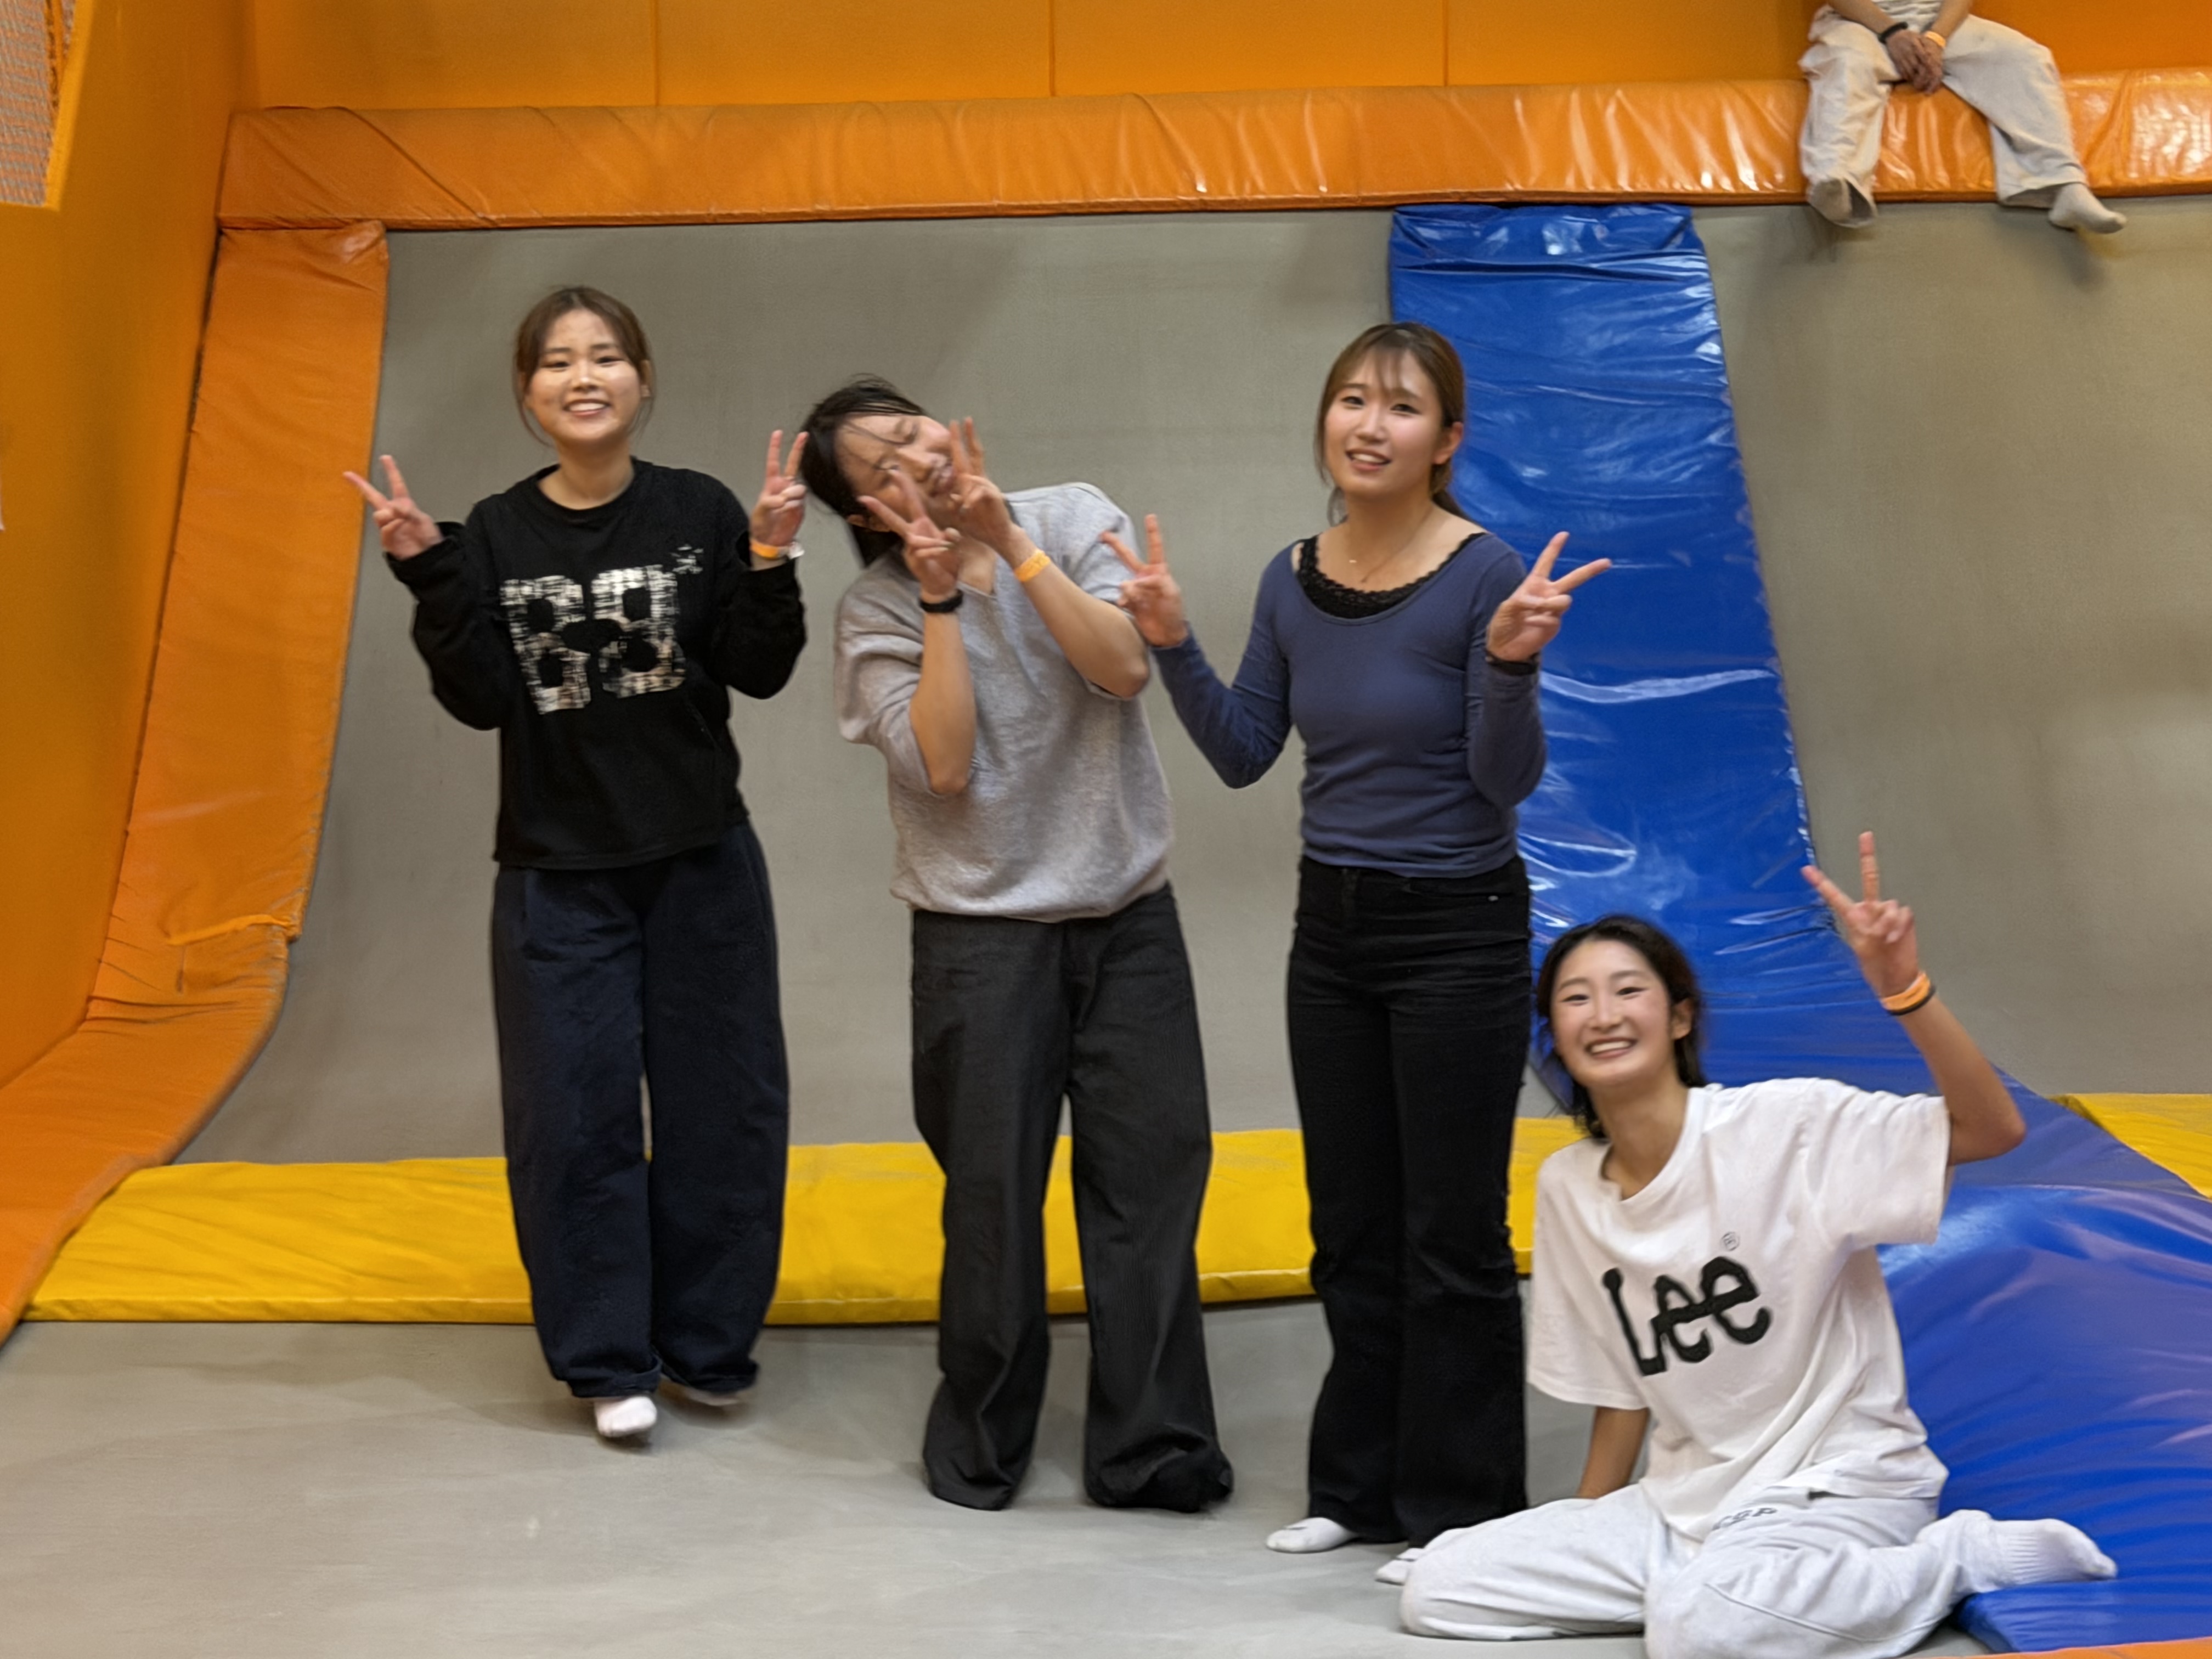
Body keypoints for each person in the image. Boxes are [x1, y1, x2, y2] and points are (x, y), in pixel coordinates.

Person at [1111, 322, 1609, 1562]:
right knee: (1350, 1224)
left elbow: (1503, 780)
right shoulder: (1292, 576)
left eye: (1399, 407)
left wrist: (1513, 667)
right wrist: (1171, 642)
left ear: (1446, 441)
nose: (1368, 425)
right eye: (1350, 400)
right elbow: (1244, 752)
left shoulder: (1486, 574)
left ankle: (1461, 1507)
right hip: (1330, 928)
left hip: (1457, 928)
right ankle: (1357, 1487)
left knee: (1450, 1230)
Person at [1399, 836, 2118, 1651]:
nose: (1603, 1015)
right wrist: (1584, 1531)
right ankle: (1741, 1591)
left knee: (1701, 1630)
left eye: (1628, 990)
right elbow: (1623, 1388)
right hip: (1685, 1503)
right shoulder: (1570, 1186)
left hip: (1834, 1488)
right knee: (1439, 1585)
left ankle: (1949, 1561)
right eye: (1575, 999)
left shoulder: (1785, 1127)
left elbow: (1992, 1129)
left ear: (1679, 1017)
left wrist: (1905, 989)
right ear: (1555, 1035)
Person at [343, 286, 807, 1443]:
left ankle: (708, 1343)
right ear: (527, 393)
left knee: (726, 1110)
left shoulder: (697, 508)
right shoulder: (495, 532)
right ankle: (607, 1358)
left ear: (642, 379)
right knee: (571, 1116)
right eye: (557, 361)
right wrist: (427, 573)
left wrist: (768, 556)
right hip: (556, 877)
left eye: (605, 356)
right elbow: (479, 700)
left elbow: (759, 669)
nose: (583, 376)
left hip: (702, 864)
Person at [804, 377, 1233, 1514]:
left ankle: (1154, 1444)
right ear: (865, 512)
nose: (919, 456)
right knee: (991, 1198)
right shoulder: (876, 612)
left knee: (1151, 1182)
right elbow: (944, 766)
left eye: (915, 429)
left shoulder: (1068, 514)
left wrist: (1010, 548)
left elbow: (1124, 668)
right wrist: (943, 599)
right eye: (885, 464)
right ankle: (983, 1438)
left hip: (1127, 914)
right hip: (978, 935)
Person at [1801, 1, 2125, 233]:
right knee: (1847, 62)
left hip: (1939, 24)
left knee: (2024, 57)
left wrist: (1937, 39)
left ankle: (2062, 182)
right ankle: (1836, 176)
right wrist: (1892, 33)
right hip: (1861, 23)